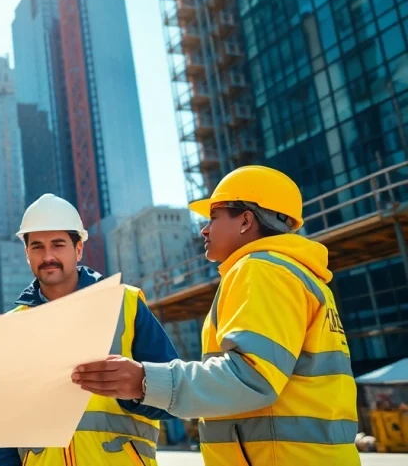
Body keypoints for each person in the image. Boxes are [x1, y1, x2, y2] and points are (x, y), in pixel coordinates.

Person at [72, 166, 360, 465]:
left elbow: (252, 377)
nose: (204, 230)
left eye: (213, 217)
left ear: (246, 220)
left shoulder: (261, 270)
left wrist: (144, 380)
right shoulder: (303, 278)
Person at [0, 194, 180, 466]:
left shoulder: (124, 305)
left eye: (58, 245)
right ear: (26, 254)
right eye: (37, 247)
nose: (48, 256)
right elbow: (4, 425)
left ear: (78, 249)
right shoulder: (13, 326)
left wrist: (136, 388)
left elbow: (176, 394)